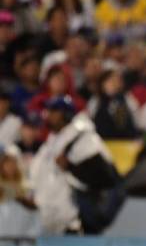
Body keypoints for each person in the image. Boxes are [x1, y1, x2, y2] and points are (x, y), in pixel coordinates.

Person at [30, 95, 125, 234]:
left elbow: (106, 177)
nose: (48, 114)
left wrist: (70, 167)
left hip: (74, 220)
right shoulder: (54, 138)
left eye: (54, 110)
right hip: (49, 220)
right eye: (48, 110)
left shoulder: (82, 138)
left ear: (66, 114)